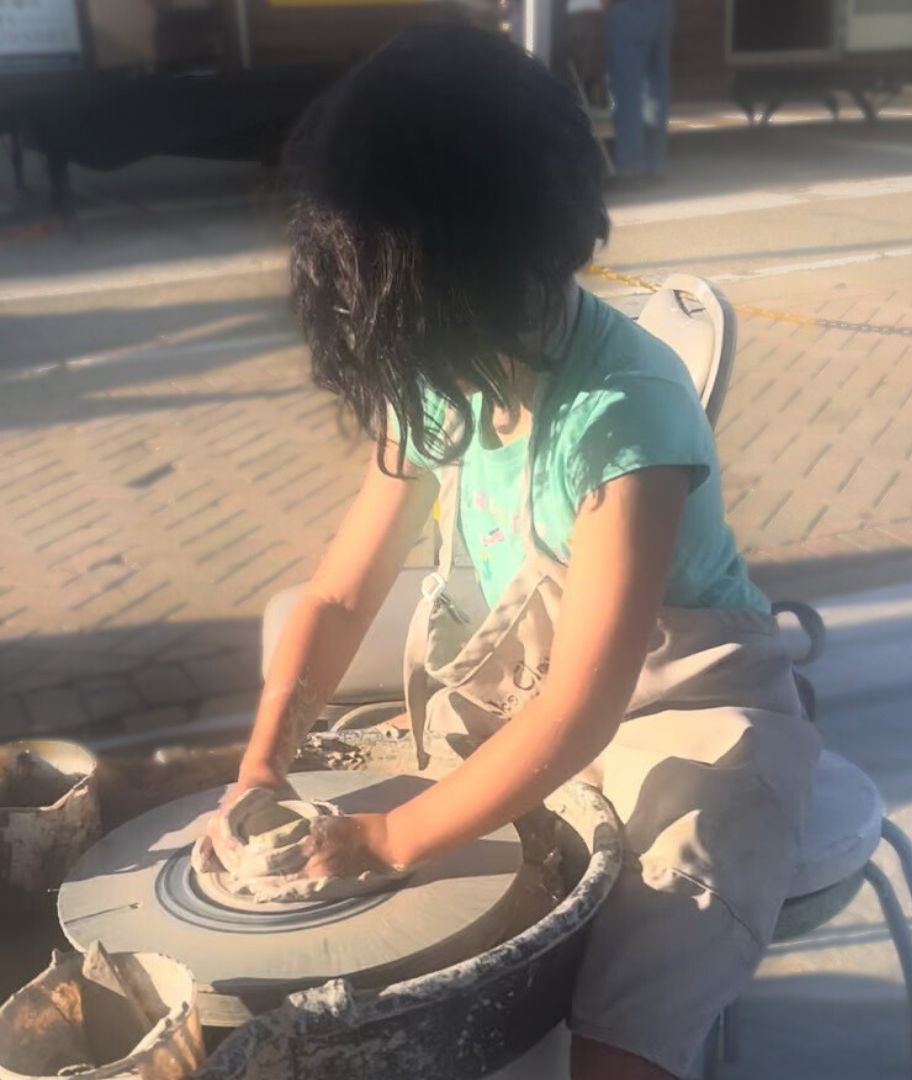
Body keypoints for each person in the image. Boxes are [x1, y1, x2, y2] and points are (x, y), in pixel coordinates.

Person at [205, 25, 819, 1080]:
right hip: (537, 690)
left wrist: (392, 839)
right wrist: (261, 759)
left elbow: (584, 710)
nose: (397, 351)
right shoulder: (436, 368)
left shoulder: (625, 417)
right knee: (399, 911)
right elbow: (344, 591)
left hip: (686, 711)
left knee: (650, 949)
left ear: (484, 265)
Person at [605, 0, 674, 184]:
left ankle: (630, 166)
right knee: (654, 87)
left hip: (630, 7)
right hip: (662, 7)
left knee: (627, 88)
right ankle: (653, 163)